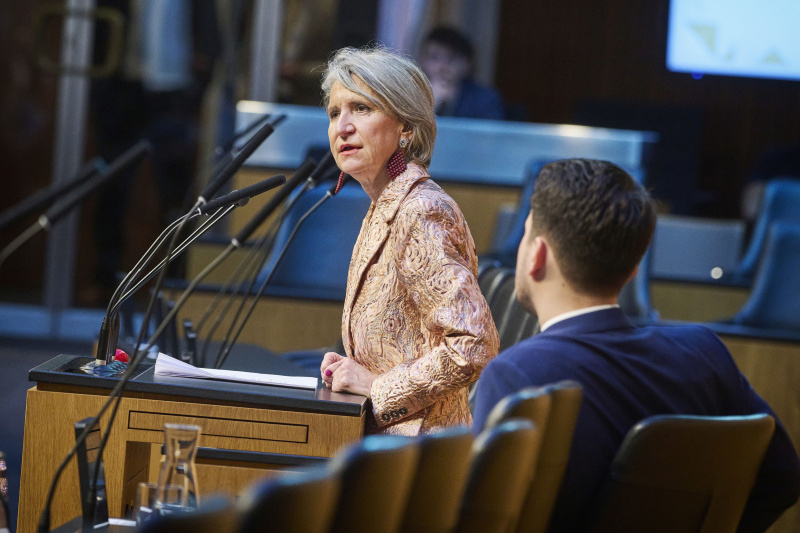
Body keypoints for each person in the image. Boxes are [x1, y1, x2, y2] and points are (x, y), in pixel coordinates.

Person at [471, 159, 800, 532]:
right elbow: (784, 478)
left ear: (537, 255)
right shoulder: (704, 355)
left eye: (527, 234)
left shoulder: (516, 374)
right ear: (633, 269)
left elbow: (484, 521)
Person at [319, 46, 499, 436]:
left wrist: (377, 387)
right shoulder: (386, 203)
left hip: (421, 461)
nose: (343, 127)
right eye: (335, 113)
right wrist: (354, 366)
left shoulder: (420, 210)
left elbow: (474, 345)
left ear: (406, 128)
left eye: (361, 109)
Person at [418, 26, 505, 120]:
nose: (442, 67)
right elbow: (407, 132)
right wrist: (432, 104)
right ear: (423, 60)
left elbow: (489, 133)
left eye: (451, 59)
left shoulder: (486, 100)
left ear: (467, 64)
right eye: (434, 58)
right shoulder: (411, 94)